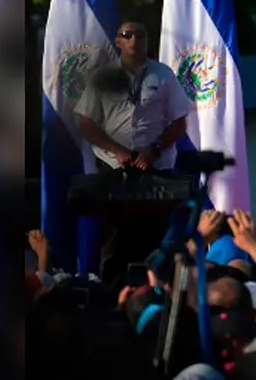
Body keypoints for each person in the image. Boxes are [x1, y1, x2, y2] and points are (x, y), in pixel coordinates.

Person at [74, 20, 192, 290]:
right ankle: (113, 294)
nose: (135, 39)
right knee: (115, 236)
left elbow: (179, 123)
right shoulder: (102, 77)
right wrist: (116, 150)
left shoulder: (163, 74)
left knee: (155, 236)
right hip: (115, 168)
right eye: (128, 35)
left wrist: (155, 150)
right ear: (118, 41)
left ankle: (156, 293)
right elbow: (86, 124)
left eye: (141, 34)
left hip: (155, 167)